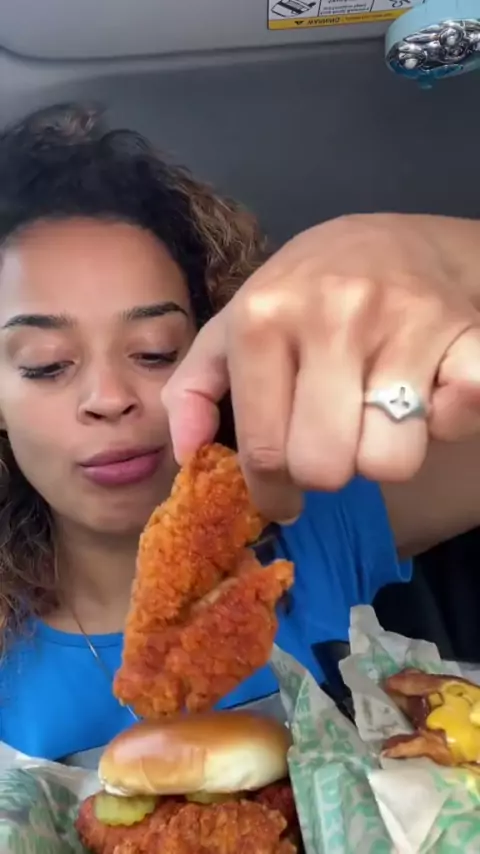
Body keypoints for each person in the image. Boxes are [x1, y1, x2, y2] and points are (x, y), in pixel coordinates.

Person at [1, 103, 480, 764]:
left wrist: (443, 255)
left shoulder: (311, 529)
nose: (110, 399)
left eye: (155, 351)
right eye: (46, 365)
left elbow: (442, 403)